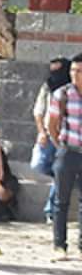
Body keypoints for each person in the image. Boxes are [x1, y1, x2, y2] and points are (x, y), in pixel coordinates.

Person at [47, 53, 82, 261]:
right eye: (73, 71)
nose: (75, 75)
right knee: (61, 201)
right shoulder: (62, 94)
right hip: (68, 151)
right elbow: (52, 124)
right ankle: (60, 245)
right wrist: (59, 145)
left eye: (79, 72)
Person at [33, 57, 71, 224]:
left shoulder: (73, 90)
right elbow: (38, 111)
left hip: (68, 137)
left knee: (60, 172)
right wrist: (42, 131)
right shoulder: (47, 87)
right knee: (38, 165)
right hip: (49, 135)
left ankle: (51, 211)